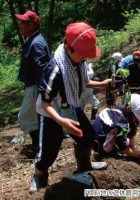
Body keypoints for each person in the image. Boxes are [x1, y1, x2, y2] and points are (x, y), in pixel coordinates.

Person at [30, 22, 111, 192]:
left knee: (87, 135)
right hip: (50, 113)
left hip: (70, 106)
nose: (85, 58)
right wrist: (61, 121)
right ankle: (40, 175)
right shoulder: (55, 70)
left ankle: (84, 165)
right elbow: (44, 101)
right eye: (83, 54)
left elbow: (85, 82)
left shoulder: (78, 62)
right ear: (68, 48)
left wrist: (102, 84)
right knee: (48, 152)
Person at [15, 10, 51, 156]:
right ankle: (39, 146)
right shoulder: (35, 40)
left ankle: (38, 147)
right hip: (34, 86)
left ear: (31, 25)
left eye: (23, 22)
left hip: (36, 86)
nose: (20, 25)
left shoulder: (36, 43)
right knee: (34, 117)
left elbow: (42, 69)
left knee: (24, 118)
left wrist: (42, 91)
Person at [92, 94, 140, 166]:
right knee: (122, 145)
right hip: (99, 145)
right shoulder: (121, 123)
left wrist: (132, 147)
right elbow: (123, 149)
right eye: (136, 116)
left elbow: (131, 133)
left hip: (95, 134)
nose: (137, 119)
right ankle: (105, 153)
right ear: (129, 109)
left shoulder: (119, 107)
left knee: (126, 139)